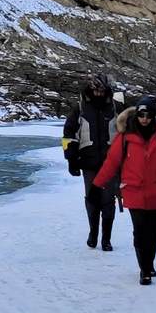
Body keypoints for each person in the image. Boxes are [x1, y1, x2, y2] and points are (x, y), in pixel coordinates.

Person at [92, 96, 156, 285]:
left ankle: (149, 263)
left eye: (148, 115)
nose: (145, 119)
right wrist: (96, 185)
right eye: (141, 114)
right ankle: (145, 269)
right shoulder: (124, 138)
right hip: (133, 192)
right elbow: (111, 163)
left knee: (153, 233)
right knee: (140, 232)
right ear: (136, 115)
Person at [62, 74, 121, 252]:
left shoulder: (116, 107)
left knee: (109, 200)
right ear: (90, 89)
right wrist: (71, 160)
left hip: (111, 162)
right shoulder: (79, 108)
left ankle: (106, 239)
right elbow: (69, 135)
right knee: (92, 199)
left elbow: (126, 134)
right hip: (88, 162)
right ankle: (93, 233)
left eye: (101, 90)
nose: (98, 93)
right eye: (95, 90)